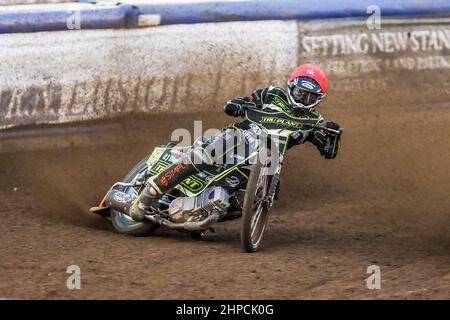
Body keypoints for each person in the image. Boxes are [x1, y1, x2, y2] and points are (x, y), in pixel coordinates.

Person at [129, 63, 342, 221]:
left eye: (309, 97)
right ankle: (146, 196)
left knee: (265, 194)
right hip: (238, 139)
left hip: (264, 162)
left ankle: (202, 212)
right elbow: (243, 102)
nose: (302, 99)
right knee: (202, 156)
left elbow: (329, 152)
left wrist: (333, 136)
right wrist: (236, 105)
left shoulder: (315, 122)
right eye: (299, 93)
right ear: (291, 86)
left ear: (318, 99)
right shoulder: (272, 94)